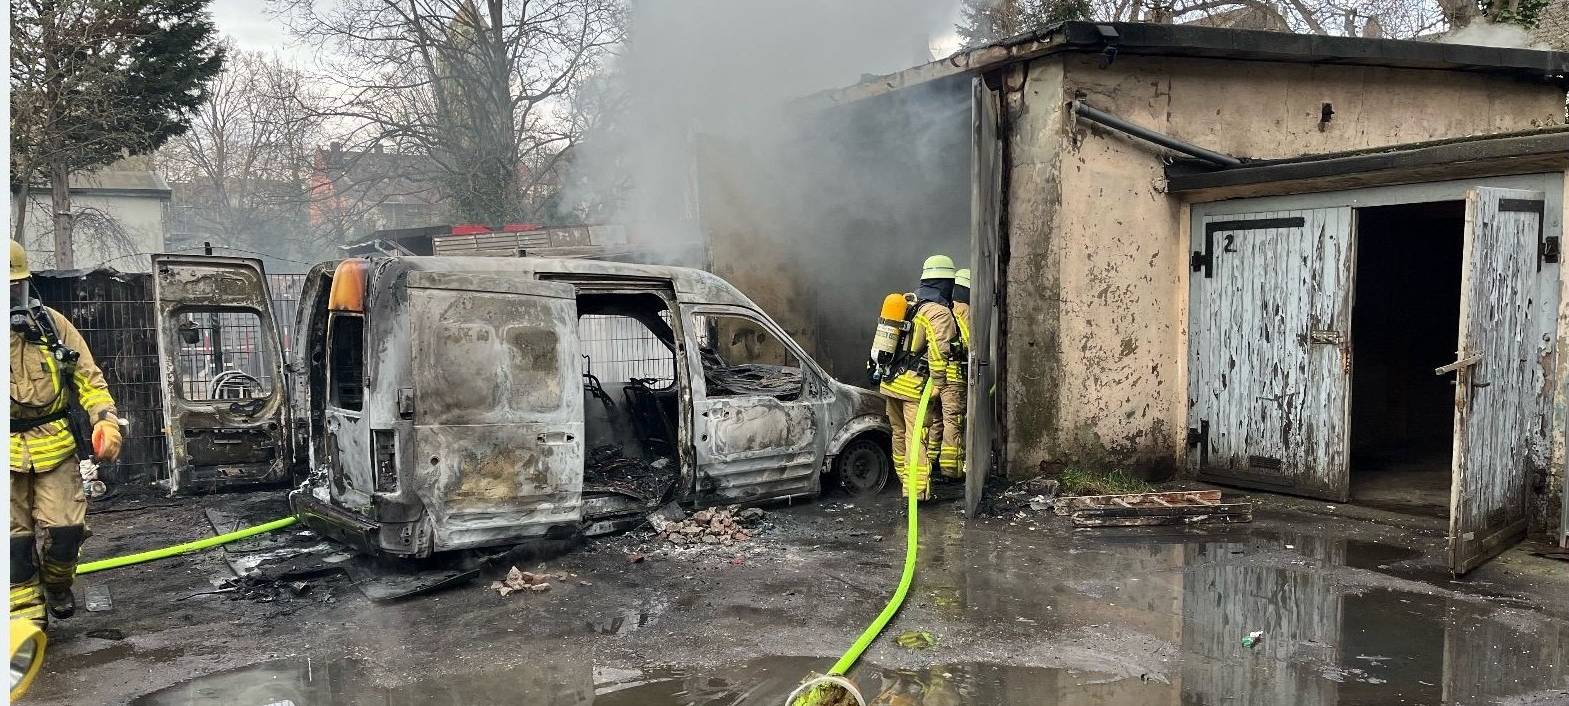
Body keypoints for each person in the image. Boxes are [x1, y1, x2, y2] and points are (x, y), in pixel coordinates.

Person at [10, 240, 121, 628]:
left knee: (66, 531)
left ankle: (57, 584)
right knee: (13, 543)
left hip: (54, 449)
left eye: (15, 289)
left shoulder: (52, 326)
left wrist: (104, 419)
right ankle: (26, 621)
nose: (11, 299)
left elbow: (89, 379)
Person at [878, 255, 959, 500]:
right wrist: (940, 383)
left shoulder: (908, 303)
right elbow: (938, 351)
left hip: (891, 381)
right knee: (917, 438)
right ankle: (918, 492)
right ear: (946, 283)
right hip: (914, 387)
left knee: (899, 434)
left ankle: (906, 483)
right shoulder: (938, 312)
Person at [936, 268, 972, 479]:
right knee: (953, 420)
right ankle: (951, 470)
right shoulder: (964, 309)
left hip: (934, 374)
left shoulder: (941, 306)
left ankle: (929, 464)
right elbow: (968, 343)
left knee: (934, 420)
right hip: (954, 376)